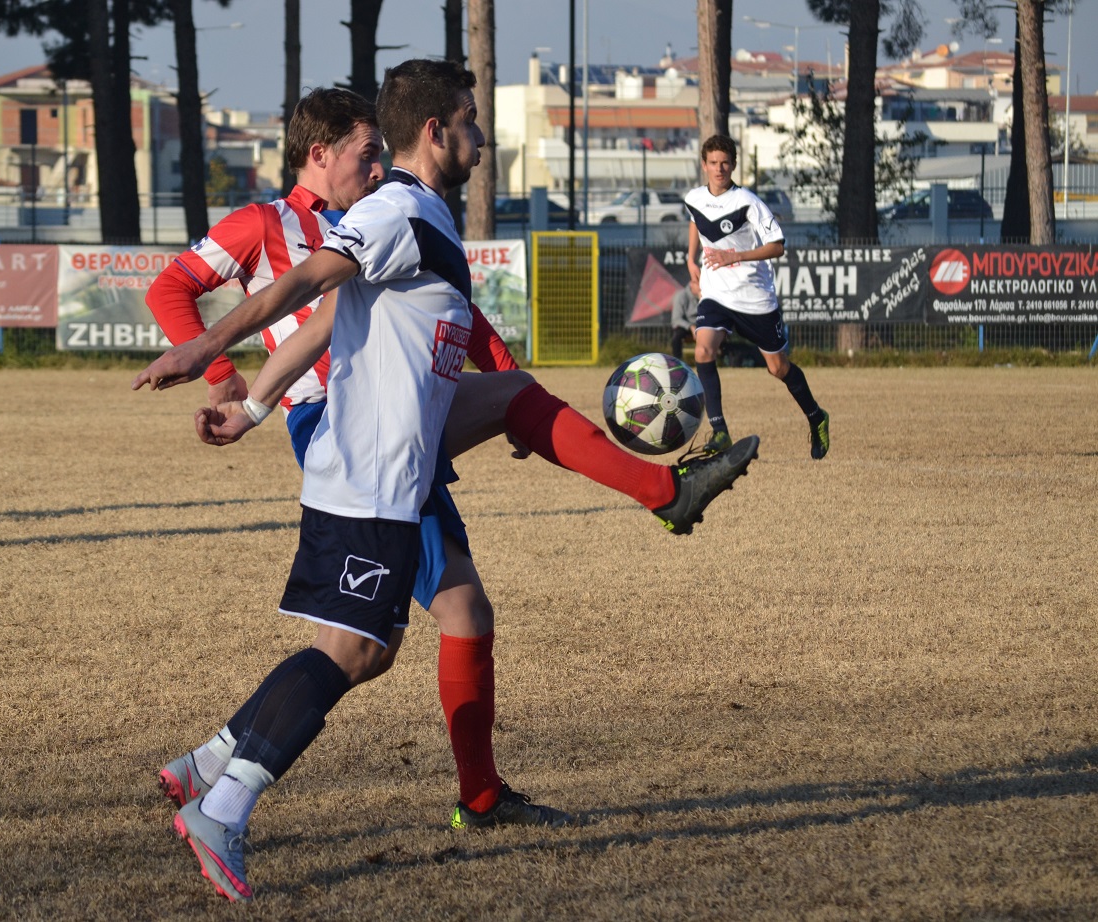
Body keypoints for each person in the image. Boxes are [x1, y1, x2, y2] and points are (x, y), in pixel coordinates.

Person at [133, 61, 757, 902]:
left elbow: (325, 321)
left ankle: (664, 496)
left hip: (385, 464)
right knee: (353, 651)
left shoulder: (412, 212)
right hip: (370, 477)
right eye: (469, 118)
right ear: (435, 131)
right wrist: (210, 351)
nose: (481, 136)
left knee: (502, 417)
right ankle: (223, 805)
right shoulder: (393, 210)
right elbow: (305, 286)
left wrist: (250, 409)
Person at [685, 135, 829, 459]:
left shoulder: (748, 202)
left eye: (725, 163)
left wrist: (736, 256)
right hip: (717, 292)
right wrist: (690, 258)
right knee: (703, 349)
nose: (719, 169)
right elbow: (695, 219)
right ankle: (720, 431)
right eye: (713, 163)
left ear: (734, 165)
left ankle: (816, 416)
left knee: (778, 368)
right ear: (704, 165)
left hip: (755, 297)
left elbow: (777, 246)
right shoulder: (694, 197)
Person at [669, 278, 698, 360]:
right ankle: (677, 361)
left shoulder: (706, 295)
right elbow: (676, 319)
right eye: (698, 284)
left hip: (701, 325)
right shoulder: (681, 296)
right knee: (676, 338)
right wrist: (691, 327)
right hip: (686, 327)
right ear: (691, 284)